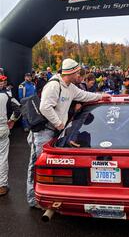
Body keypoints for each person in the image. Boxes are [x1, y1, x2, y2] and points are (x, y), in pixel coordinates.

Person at [26, 58, 111, 208]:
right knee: (37, 164)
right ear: (71, 72)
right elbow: (45, 108)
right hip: (43, 132)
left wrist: (101, 96)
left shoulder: (71, 87)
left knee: (49, 166)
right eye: (78, 72)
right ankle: (33, 199)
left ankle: (46, 196)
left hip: (54, 131)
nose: (79, 75)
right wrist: (59, 124)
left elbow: (85, 95)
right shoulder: (54, 85)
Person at [0, 75, 21, 196]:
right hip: (2, 127)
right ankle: (2, 186)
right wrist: (12, 120)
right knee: (2, 158)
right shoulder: (7, 96)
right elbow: (18, 108)